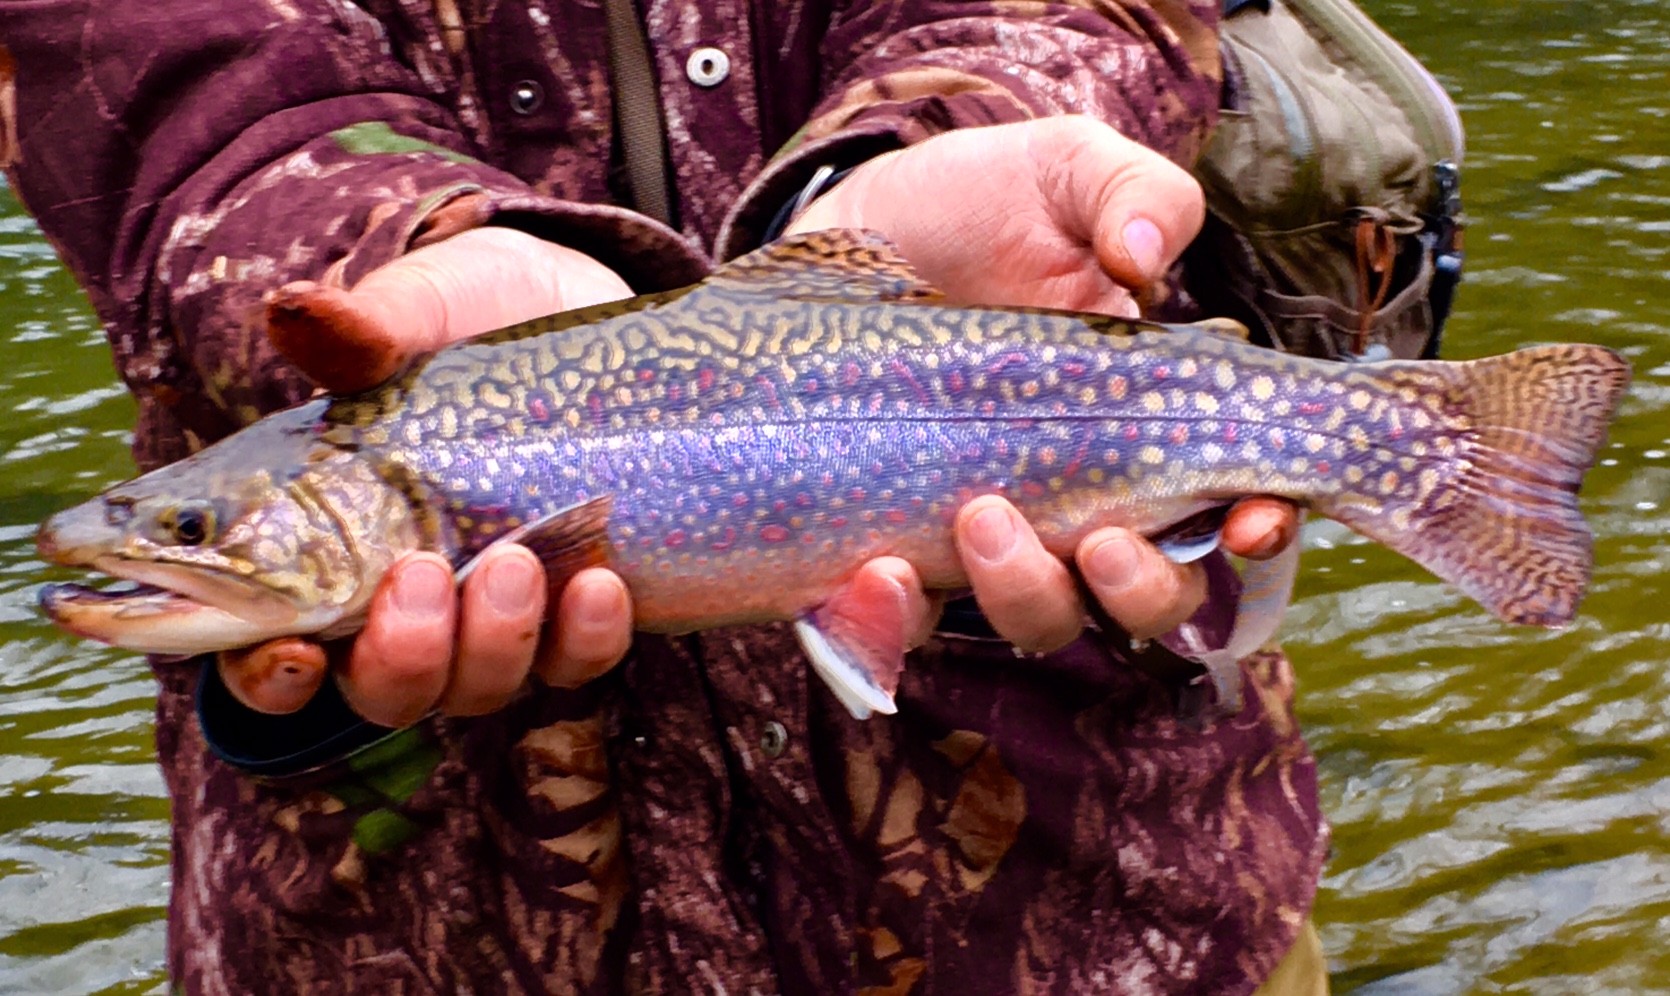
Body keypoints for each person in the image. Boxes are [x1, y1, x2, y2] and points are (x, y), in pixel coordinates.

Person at [0, 1, 1328, 992]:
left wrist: (939, 144)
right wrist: (397, 252)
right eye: (192, 527)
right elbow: (180, 85)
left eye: (190, 529)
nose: (157, 544)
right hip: (415, 934)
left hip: (1096, 905)